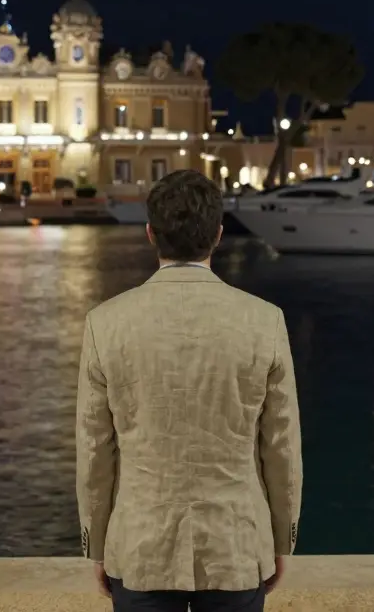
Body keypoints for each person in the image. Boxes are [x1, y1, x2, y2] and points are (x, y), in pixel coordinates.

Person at [76, 170, 303, 612]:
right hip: (236, 543)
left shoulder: (105, 323)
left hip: (140, 545)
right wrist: (281, 537)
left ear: (150, 234)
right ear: (218, 236)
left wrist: (98, 544)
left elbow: (95, 451)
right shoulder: (265, 321)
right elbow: (281, 446)